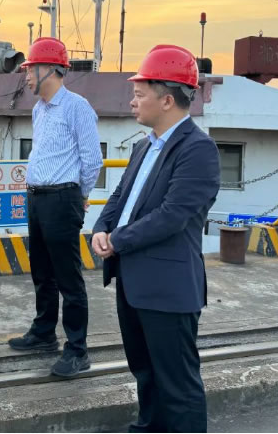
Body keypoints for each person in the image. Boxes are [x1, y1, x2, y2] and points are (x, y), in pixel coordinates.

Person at [91, 44, 220, 432]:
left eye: (139, 93)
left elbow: (172, 216)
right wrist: (101, 228)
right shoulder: (143, 146)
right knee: (145, 371)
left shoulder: (198, 149)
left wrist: (118, 241)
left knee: (177, 383)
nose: (133, 101)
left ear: (166, 100)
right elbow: (121, 196)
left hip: (168, 288)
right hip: (133, 282)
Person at [7, 37, 103, 377]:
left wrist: (77, 196)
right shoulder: (39, 109)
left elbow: (93, 160)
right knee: (42, 271)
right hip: (36, 197)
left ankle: (77, 350)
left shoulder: (77, 107)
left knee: (67, 276)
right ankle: (44, 332)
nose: (27, 77)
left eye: (30, 69)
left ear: (49, 69)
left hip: (62, 198)